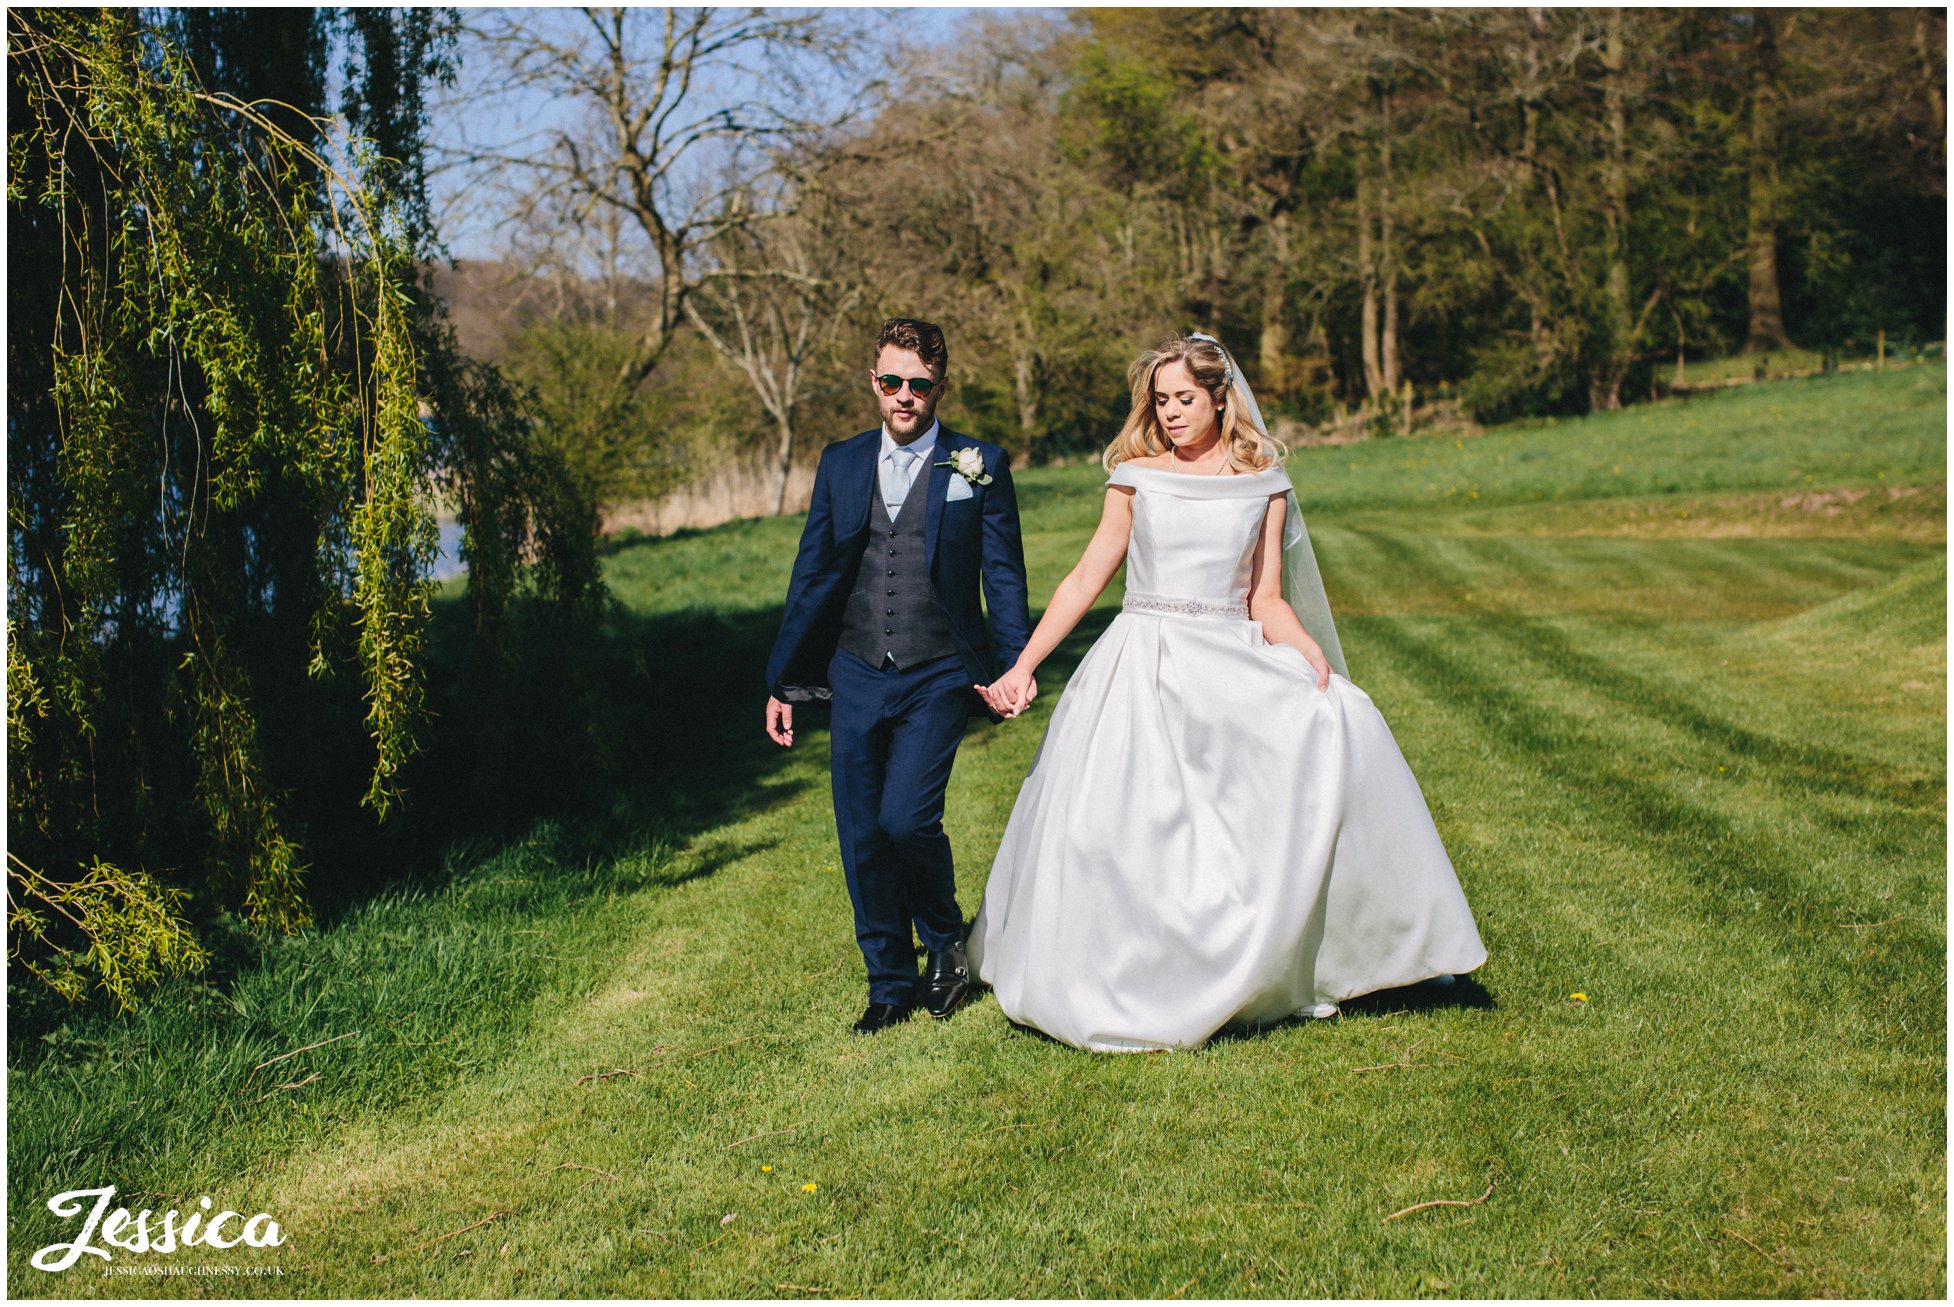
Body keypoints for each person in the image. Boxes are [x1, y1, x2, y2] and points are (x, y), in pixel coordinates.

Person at [967, 333, 1486, 1052]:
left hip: (1230, 653)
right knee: (1120, 828)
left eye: (1185, 398)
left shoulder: (1263, 480)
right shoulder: (1135, 477)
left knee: (1343, 722)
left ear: (1219, 396)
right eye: (1160, 400)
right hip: (1142, 658)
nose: (1172, 412)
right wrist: (1023, 665)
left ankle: (1339, 955)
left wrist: (1306, 650)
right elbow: (1086, 578)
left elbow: (1265, 595)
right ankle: (1130, 972)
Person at [765, 318, 1034, 1036]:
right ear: (874, 382)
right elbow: (814, 572)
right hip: (855, 667)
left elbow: (1002, 577)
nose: (904, 395)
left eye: (918, 383)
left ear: (941, 385)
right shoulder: (841, 463)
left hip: (938, 668)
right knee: (861, 833)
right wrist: (784, 680)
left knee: (906, 818)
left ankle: (944, 935)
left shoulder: (979, 463)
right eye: (892, 381)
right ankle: (889, 981)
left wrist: (1014, 666)